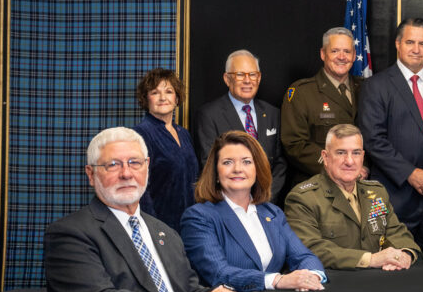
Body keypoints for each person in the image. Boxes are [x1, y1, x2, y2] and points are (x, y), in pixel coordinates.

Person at [44, 127, 251, 292]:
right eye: (113, 165)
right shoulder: (70, 233)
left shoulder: (165, 232)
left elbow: (188, 291)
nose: (126, 173)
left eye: (135, 163)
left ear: (147, 168)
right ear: (91, 174)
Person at [357, 18, 423, 256]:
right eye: (410, 42)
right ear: (398, 44)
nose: (416, 49)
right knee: (395, 270)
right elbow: (373, 139)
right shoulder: (376, 85)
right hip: (395, 202)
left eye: (422, 44)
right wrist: (411, 174)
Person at [180, 131, 326, 292]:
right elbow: (218, 273)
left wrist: (311, 277)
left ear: (258, 169)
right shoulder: (199, 217)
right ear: (215, 172)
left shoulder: (273, 213)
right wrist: (277, 280)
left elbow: (304, 257)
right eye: (227, 162)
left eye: (246, 162)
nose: (237, 169)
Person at [286, 124, 421, 271]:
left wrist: (405, 254)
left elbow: (397, 232)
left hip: (379, 280)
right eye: (341, 153)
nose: (349, 161)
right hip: (334, 281)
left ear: (363, 157)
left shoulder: (377, 192)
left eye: (356, 153)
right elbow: (310, 249)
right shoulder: (303, 199)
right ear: (325, 157)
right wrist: (371, 259)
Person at [195, 49, 286, 200]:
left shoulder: (273, 113)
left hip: (267, 201)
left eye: (252, 74)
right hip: (228, 202)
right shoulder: (209, 115)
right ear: (227, 79)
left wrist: (264, 197)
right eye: (240, 75)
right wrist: (240, 200)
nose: (247, 80)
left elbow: (279, 163)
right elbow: (209, 165)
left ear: (259, 78)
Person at [282, 27, 362, 185]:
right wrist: (337, 167)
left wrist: (362, 166)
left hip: (361, 183)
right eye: (335, 51)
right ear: (323, 54)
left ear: (354, 55)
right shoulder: (302, 93)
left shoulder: (367, 89)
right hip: (319, 186)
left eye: (347, 51)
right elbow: (294, 144)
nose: (341, 57)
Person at [133, 68, 200, 231]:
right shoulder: (140, 134)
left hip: (190, 222)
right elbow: (140, 188)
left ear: (177, 98)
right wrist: (153, 227)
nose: (163, 98)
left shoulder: (183, 133)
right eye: (155, 92)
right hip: (160, 225)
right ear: (146, 99)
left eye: (169, 92)